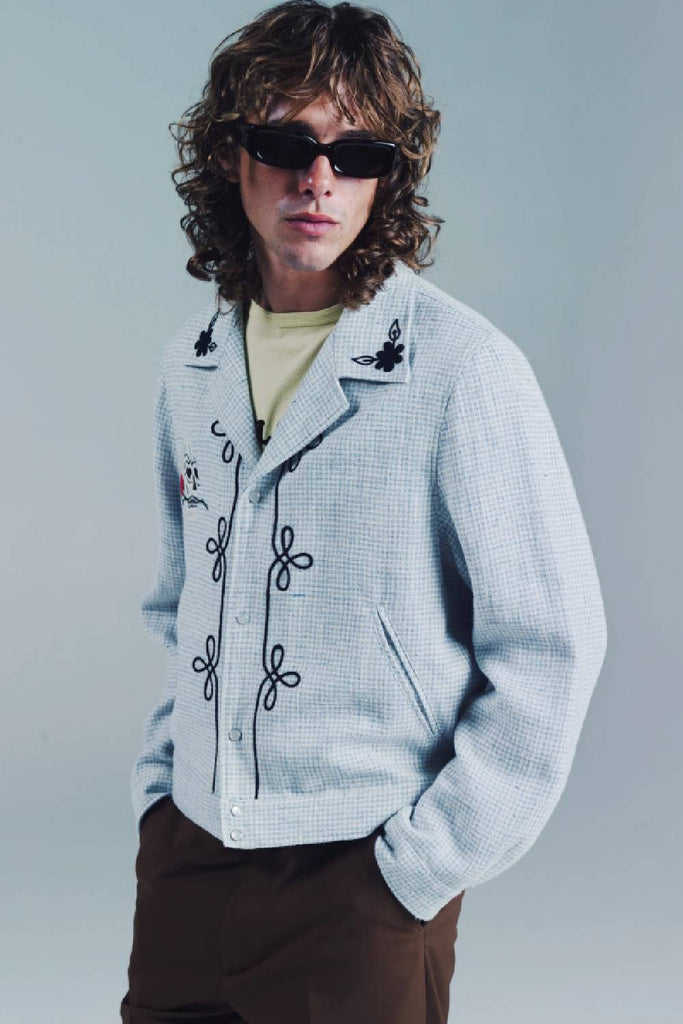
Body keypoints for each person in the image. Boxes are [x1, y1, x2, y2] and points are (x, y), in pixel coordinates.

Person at [120, 2, 608, 1022]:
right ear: (229, 154)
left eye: (355, 154)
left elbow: (550, 645)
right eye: (284, 144)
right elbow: (179, 604)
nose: (317, 179)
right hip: (189, 866)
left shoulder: (461, 370)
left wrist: (419, 869)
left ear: (390, 174)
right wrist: (160, 797)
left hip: (361, 880)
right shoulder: (188, 368)